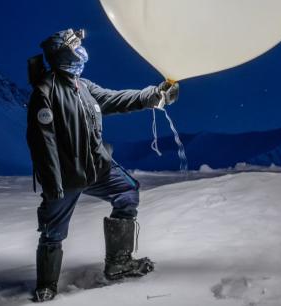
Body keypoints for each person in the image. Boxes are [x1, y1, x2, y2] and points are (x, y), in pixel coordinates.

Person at [26, 28, 180, 302]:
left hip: (97, 167)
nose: (81, 49)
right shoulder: (46, 92)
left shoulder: (83, 86)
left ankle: (118, 263)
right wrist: (52, 184)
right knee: (53, 231)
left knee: (127, 191)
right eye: (75, 45)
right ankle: (46, 286)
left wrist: (155, 95)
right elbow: (42, 142)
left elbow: (116, 99)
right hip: (65, 176)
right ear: (63, 52)